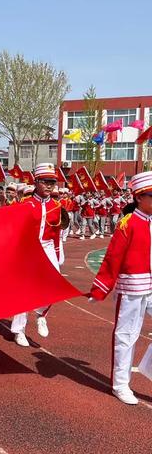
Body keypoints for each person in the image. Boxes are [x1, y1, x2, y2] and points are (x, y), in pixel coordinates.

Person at [89, 171, 152, 405]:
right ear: (139, 197)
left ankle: (148, 370)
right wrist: (100, 288)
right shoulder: (128, 223)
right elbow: (113, 257)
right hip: (133, 287)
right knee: (126, 335)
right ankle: (120, 384)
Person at [11, 163, 69, 347]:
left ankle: (41, 314)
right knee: (24, 290)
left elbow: (55, 234)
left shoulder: (56, 206)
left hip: (48, 247)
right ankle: (19, 330)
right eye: (45, 181)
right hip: (28, 250)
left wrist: (59, 255)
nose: (49, 185)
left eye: (52, 182)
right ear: (36, 182)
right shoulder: (25, 204)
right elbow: (15, 231)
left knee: (54, 284)